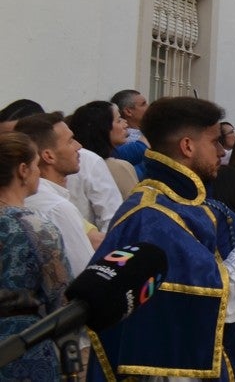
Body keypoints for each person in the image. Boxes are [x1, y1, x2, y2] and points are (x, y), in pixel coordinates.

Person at [88, 97, 235, 381]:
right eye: (214, 142)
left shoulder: (179, 204)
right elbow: (225, 300)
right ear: (187, 146)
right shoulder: (154, 218)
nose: (221, 152)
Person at [0, 131, 71, 381]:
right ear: (22, 170)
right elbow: (61, 298)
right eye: (35, 165)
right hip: (23, 347)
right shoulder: (36, 228)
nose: (39, 171)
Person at [14, 113, 96, 275]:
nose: (78, 146)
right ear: (48, 156)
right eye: (70, 141)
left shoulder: (26, 196)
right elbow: (84, 272)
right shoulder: (57, 208)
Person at [65, 100, 126, 229]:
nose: (125, 125)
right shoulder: (91, 161)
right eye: (119, 120)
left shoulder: (89, 160)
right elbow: (111, 217)